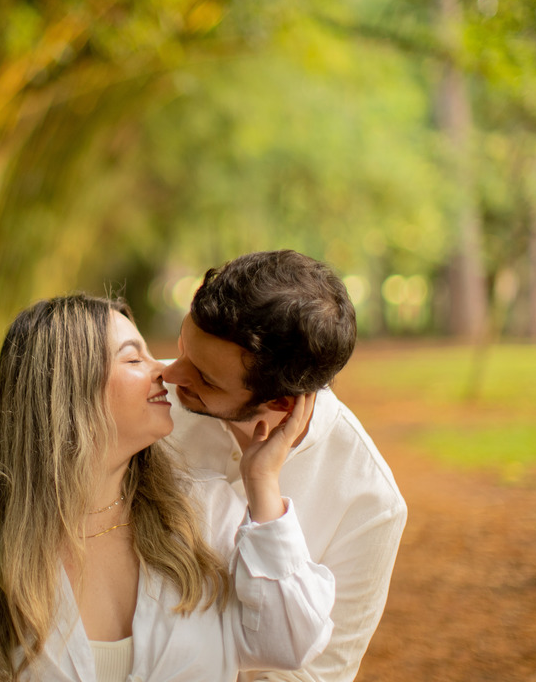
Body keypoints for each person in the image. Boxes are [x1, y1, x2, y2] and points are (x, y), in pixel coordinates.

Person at [0, 294, 335, 682]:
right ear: (67, 391)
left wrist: (262, 484)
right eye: (133, 359)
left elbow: (290, 644)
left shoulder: (205, 515)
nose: (163, 370)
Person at [162, 250, 407, 682]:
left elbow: (321, 672)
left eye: (205, 378)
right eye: (183, 347)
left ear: (281, 403)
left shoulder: (370, 502)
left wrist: (263, 494)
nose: (172, 375)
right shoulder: (142, 409)